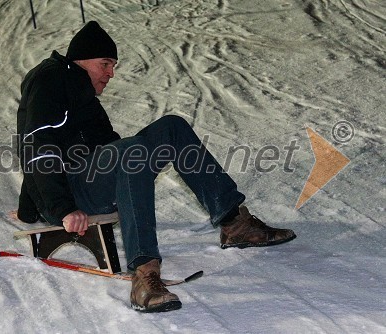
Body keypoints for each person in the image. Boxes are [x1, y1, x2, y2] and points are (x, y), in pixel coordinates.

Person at [16, 21, 296, 313]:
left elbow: (109, 145)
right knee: (132, 150)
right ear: (81, 60)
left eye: (113, 65)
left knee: (171, 128)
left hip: (89, 179)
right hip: (69, 192)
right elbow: (37, 145)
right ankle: (144, 272)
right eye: (105, 64)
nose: (111, 73)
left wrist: (134, 160)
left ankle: (233, 222)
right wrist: (60, 207)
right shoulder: (50, 80)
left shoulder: (81, 93)